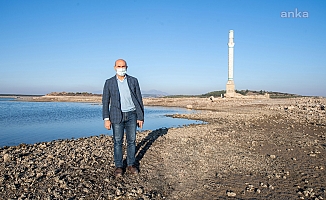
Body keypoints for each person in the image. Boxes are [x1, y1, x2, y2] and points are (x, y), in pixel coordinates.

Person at [102, 59, 144, 177]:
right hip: (116, 115)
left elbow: (139, 100)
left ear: (127, 67)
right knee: (117, 142)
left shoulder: (133, 81)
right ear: (115, 67)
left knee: (131, 141)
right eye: (119, 66)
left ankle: (131, 164)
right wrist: (106, 119)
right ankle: (119, 166)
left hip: (132, 114)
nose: (121, 68)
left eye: (123, 66)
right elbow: (105, 102)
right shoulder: (109, 82)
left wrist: (140, 117)